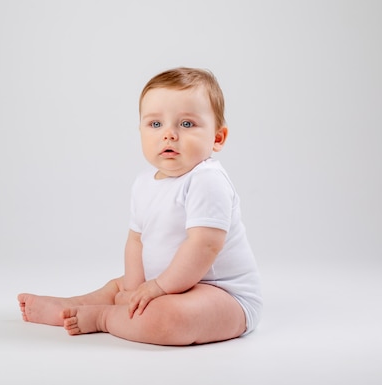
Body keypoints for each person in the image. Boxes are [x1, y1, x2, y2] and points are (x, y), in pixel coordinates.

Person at [18, 67, 263, 346]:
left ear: (217, 138)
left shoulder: (207, 180)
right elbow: (136, 240)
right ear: (141, 131)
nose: (169, 134)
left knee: (168, 319)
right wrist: (136, 288)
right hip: (162, 283)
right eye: (155, 124)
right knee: (118, 287)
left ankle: (104, 318)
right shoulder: (144, 182)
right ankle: (71, 306)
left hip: (222, 294)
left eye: (186, 124)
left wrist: (157, 288)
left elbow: (204, 245)